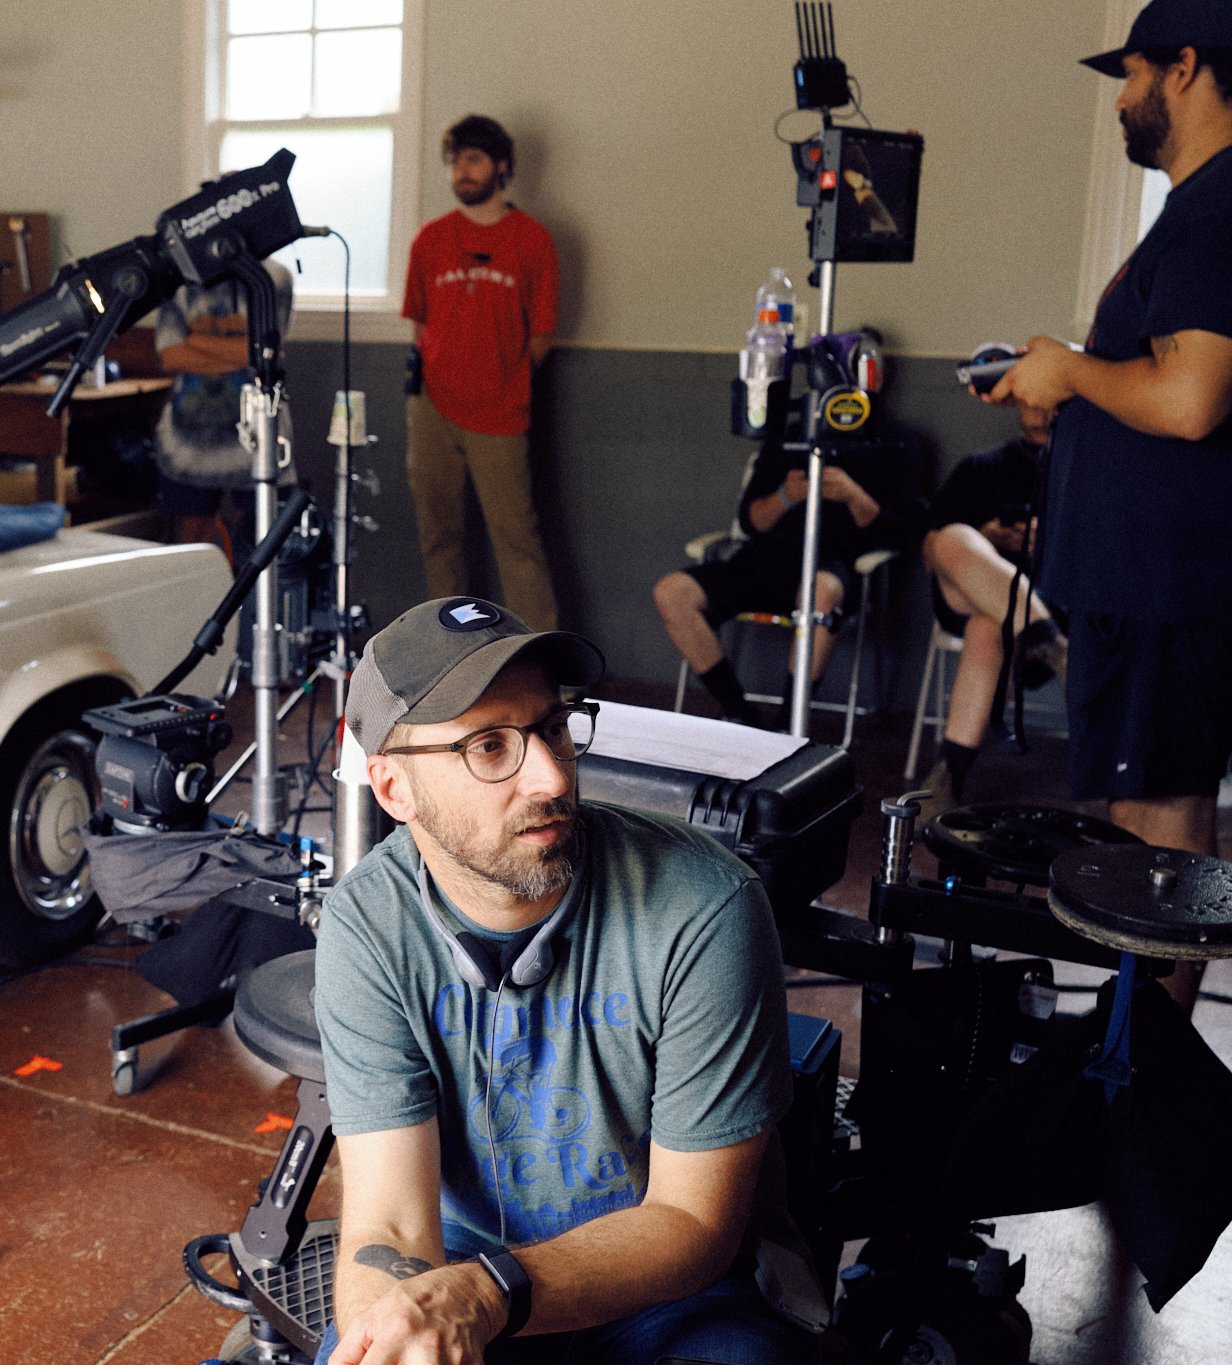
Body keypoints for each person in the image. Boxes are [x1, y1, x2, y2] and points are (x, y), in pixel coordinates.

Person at [317, 596, 806, 1364]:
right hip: (453, 1277)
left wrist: (488, 1294)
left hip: (666, 1291)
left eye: (551, 726)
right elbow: (390, 1229)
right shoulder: (367, 927)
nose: (550, 774)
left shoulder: (705, 906)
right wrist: (403, 1333)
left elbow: (692, 1220)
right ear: (392, 789)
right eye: (488, 746)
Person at [984, 1, 1232, 1012]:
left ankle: (1144, 1058)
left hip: (1167, 581)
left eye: (1129, 76)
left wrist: (1068, 369)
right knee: (1142, 803)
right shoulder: (1193, 212)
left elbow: (1187, 400)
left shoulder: (1215, 214)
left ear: (1181, 69)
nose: (1123, 100)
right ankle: (1131, 1038)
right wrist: (1055, 390)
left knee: (1161, 808)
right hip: (1144, 578)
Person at [653, 370, 925, 727]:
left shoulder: (895, 443)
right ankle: (737, 710)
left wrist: (852, 495)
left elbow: (900, 532)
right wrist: (786, 496)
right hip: (765, 561)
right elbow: (750, 521)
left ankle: (789, 721)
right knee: (672, 592)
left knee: (821, 592)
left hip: (834, 565)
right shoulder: (789, 436)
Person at [403, 115, 561, 630]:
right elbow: (419, 323)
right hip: (433, 408)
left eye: (472, 159)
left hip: (500, 411)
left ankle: (543, 670)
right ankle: (450, 660)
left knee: (516, 541)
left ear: (501, 166)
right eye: (454, 161)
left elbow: (541, 336)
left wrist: (501, 380)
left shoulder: (532, 240)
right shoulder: (430, 240)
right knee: (439, 539)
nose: (461, 172)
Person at [917, 404, 1067, 812]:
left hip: (1051, 596)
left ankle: (951, 770)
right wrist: (987, 540)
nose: (1037, 405)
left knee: (989, 627)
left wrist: (1048, 544)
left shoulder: (1081, 467)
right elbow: (931, 553)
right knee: (951, 539)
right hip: (968, 591)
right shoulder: (981, 468)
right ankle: (1054, 647)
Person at [151, 255, 294, 558]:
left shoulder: (274, 277)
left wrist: (194, 339)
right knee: (190, 546)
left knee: (257, 543)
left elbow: (265, 353)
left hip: (260, 435)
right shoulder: (177, 279)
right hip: (187, 441)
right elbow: (171, 356)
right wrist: (240, 350)